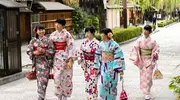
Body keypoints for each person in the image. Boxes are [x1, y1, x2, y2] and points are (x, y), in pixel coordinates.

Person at [130, 25, 160, 100]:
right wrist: (136, 52)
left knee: (148, 77)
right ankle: (146, 91)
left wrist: (155, 53)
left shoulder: (153, 41)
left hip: (150, 60)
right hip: (142, 60)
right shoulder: (140, 40)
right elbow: (135, 47)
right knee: (143, 76)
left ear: (150, 32)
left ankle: (147, 91)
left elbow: (157, 49)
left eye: (147, 30)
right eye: (144, 30)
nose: (145, 32)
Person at [94, 28, 125, 100]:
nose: (101, 35)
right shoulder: (100, 44)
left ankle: (112, 98)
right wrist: (96, 66)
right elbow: (97, 55)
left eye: (102, 33)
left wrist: (120, 68)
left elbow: (119, 55)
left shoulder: (115, 45)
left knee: (112, 84)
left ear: (107, 35)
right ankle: (103, 98)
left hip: (113, 66)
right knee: (102, 83)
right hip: (103, 66)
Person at [49, 18, 76, 100]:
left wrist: (70, 59)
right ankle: (59, 95)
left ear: (63, 25)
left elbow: (71, 47)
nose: (56, 25)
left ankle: (65, 95)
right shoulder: (53, 35)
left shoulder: (67, 34)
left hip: (65, 58)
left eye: (58, 24)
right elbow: (50, 46)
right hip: (56, 58)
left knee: (66, 77)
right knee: (57, 77)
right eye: (55, 23)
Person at [27, 24, 55, 100]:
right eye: (40, 30)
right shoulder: (33, 40)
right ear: (36, 31)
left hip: (46, 63)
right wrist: (33, 53)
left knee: (44, 80)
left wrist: (42, 51)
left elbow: (52, 51)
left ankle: (41, 96)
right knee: (39, 80)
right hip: (37, 63)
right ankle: (41, 96)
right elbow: (29, 50)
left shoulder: (48, 40)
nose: (42, 31)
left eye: (43, 29)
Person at [77, 26, 99, 100]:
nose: (87, 34)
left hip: (94, 64)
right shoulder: (84, 42)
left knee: (93, 81)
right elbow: (80, 52)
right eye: (86, 32)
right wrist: (80, 58)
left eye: (88, 32)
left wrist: (97, 65)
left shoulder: (97, 43)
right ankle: (89, 97)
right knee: (88, 81)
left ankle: (93, 97)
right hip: (86, 65)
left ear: (92, 33)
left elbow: (98, 55)